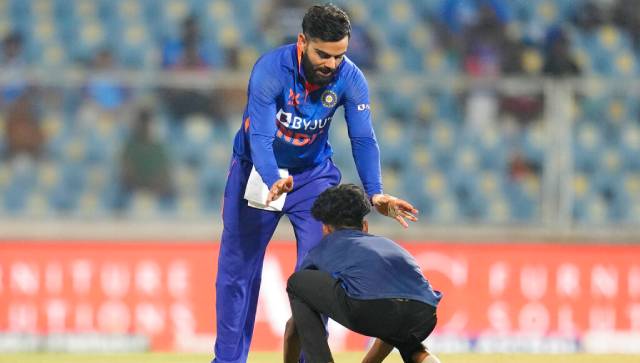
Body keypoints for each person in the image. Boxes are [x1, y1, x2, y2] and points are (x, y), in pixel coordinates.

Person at [212, 4, 419, 363]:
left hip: (312, 178)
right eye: (323, 54)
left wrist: (375, 192)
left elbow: (363, 139)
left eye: (340, 55)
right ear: (302, 42)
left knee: (316, 276)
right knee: (237, 272)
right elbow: (260, 135)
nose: (331, 64)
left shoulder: (350, 78)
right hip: (259, 173)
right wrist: (273, 177)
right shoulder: (270, 71)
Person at [284, 184, 442, 363]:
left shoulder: (321, 250)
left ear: (326, 229)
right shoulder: (390, 246)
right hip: (425, 313)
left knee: (297, 282)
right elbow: (393, 309)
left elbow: (294, 326)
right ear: (365, 227)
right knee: (407, 341)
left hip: (369, 308)